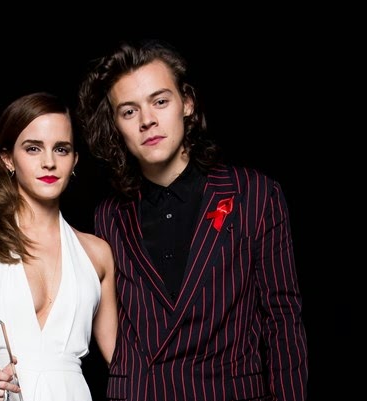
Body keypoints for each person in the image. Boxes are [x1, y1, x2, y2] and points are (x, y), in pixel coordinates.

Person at [74, 39, 308, 401]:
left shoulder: (255, 194)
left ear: (187, 103)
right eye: (129, 111)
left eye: (160, 101)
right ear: (116, 125)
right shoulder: (109, 215)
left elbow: (283, 319)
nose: (147, 120)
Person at [0, 91, 118, 401]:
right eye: (33, 148)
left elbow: (121, 361)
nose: (49, 162)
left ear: (74, 160)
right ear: (8, 158)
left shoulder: (97, 254)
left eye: (61, 149)